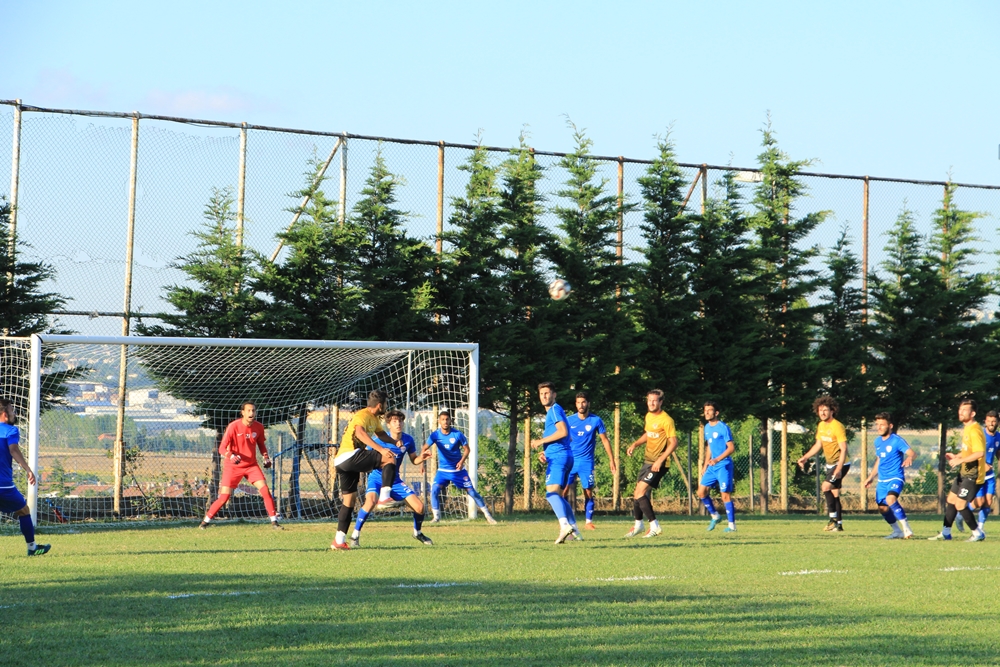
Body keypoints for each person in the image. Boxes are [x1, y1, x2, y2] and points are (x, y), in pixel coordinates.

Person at [331, 389, 402, 550]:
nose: (387, 406)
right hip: (350, 456)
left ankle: (338, 541)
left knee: (349, 501)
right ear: (379, 405)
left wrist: (394, 441)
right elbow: (359, 432)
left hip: (342, 461)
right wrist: (381, 450)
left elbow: (382, 434)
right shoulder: (362, 415)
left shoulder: (374, 418)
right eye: (385, 404)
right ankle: (384, 497)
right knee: (389, 458)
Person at [351, 410, 434, 547]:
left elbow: (414, 460)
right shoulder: (379, 441)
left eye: (400, 421)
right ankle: (355, 536)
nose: (398, 424)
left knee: (420, 507)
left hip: (395, 481)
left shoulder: (408, 440)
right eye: (394, 421)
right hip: (376, 478)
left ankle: (417, 532)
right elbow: (365, 458)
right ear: (388, 425)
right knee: (371, 502)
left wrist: (422, 457)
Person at [200, 401, 282, 530]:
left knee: (265, 490)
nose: (251, 413)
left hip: (251, 466)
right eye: (248, 410)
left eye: (253, 411)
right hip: (233, 466)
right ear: (242, 413)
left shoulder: (259, 427)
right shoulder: (233, 426)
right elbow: (221, 448)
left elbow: (261, 444)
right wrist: (231, 456)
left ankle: (274, 522)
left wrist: (266, 457)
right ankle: (205, 522)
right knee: (224, 497)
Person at [930, 399, 987, 542]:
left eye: (964, 410)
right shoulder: (967, 428)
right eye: (960, 409)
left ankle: (977, 533)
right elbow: (970, 451)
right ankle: (945, 532)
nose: (960, 412)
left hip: (973, 475)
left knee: (960, 504)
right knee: (951, 500)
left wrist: (960, 461)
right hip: (964, 473)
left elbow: (979, 453)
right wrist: (957, 456)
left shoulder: (975, 430)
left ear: (972, 413)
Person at [624, 389, 678, 539]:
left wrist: (660, 460)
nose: (651, 403)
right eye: (649, 400)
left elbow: (674, 442)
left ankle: (655, 526)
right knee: (637, 493)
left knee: (640, 492)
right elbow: (648, 434)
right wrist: (635, 444)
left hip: (659, 463)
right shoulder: (648, 416)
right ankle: (638, 525)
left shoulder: (666, 420)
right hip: (648, 461)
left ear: (661, 402)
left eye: (655, 401)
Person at [427, 411, 497, 525]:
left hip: (458, 471)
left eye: (447, 419)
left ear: (451, 421)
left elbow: (467, 449)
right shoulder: (435, 435)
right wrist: (424, 456)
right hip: (442, 471)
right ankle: (436, 517)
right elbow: (424, 447)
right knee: (434, 490)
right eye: (443, 419)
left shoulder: (457, 434)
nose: (445, 421)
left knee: (472, 492)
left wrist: (461, 461)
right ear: (439, 421)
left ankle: (488, 516)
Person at [530, 382, 579, 544]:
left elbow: (563, 432)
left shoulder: (554, 410)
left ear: (554, 394)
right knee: (557, 495)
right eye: (542, 393)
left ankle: (564, 526)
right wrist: (547, 451)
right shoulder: (556, 411)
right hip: (562, 456)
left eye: (547, 393)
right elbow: (569, 437)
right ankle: (573, 529)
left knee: (551, 494)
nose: (544, 396)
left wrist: (540, 441)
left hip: (559, 458)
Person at [0, 398, 50, 556]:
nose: (14, 413)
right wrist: (28, 469)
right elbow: (14, 450)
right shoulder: (10, 430)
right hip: (3, 485)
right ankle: (32, 547)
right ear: (4, 414)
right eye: (12, 410)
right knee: (23, 511)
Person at [563, 392, 616, 530]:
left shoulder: (596, 420)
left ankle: (588, 521)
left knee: (588, 491)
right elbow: (561, 437)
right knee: (564, 491)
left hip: (586, 462)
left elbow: (605, 440)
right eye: (578, 402)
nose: (581, 405)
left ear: (588, 403)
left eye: (584, 402)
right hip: (570, 461)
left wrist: (612, 460)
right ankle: (565, 521)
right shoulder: (569, 420)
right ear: (576, 404)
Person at [796, 396, 849, 532]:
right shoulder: (821, 425)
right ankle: (839, 525)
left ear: (832, 411)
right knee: (834, 493)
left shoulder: (837, 426)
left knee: (825, 487)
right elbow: (818, 444)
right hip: (830, 464)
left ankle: (832, 520)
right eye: (820, 410)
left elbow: (844, 449)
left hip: (841, 463)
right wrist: (805, 457)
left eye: (825, 410)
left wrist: (839, 468)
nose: (823, 413)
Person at [863, 412, 915, 539]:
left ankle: (906, 529)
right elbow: (879, 460)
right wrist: (871, 477)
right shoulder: (877, 442)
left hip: (896, 476)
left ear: (890, 426)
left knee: (890, 499)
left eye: (882, 425)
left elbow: (912, 453)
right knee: (882, 508)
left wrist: (909, 458)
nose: (879, 427)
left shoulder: (897, 440)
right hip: (882, 480)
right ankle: (897, 531)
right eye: (877, 424)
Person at [697, 401, 737, 533]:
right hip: (712, 466)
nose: (706, 412)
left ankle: (732, 526)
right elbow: (709, 446)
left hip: (723, 465)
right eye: (705, 410)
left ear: (716, 413)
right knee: (701, 492)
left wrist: (717, 459)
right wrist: (705, 464)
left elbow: (731, 448)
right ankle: (715, 516)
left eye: (709, 410)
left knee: (725, 495)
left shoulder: (723, 427)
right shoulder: (707, 428)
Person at [970, 410, 1000, 532]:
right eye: (989, 421)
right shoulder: (980, 436)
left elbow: (998, 453)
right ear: (985, 422)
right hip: (978, 474)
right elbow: (972, 454)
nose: (991, 423)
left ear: (998, 422)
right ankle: (960, 514)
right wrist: (983, 464)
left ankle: (980, 528)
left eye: (994, 421)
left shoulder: (998, 437)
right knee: (979, 502)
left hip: (990, 475)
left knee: (988, 501)